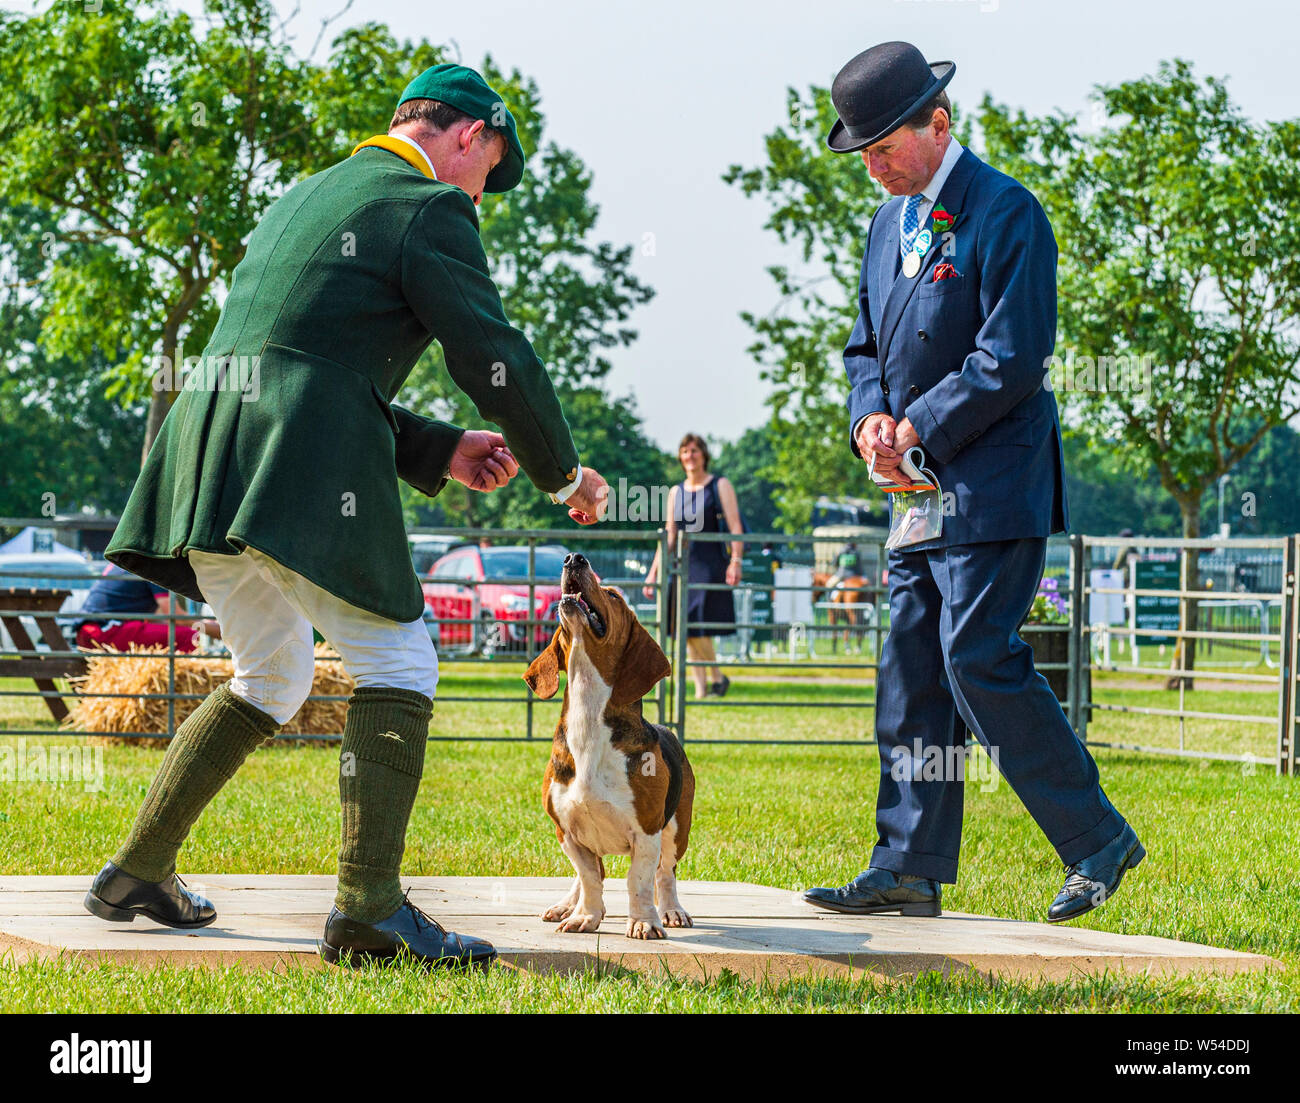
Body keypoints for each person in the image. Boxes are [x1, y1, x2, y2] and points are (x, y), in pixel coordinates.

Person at [86, 63, 609, 969]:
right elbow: (491, 356)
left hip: (208, 454)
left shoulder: (306, 195)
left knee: (272, 674)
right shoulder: (426, 204)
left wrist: (438, 448)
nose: (482, 195)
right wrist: (563, 474)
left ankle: (135, 870)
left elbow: (304, 358)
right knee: (400, 655)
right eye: (488, 172)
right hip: (292, 461)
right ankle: (368, 910)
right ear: (467, 136)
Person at [803, 42, 1143, 924]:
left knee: (975, 657)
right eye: (863, 151)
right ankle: (908, 862)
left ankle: (1097, 837)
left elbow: (1014, 355)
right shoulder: (886, 228)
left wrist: (922, 425)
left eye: (883, 146)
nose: (872, 165)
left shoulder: (1007, 212)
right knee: (910, 669)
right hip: (914, 498)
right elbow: (864, 349)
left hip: (992, 487)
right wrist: (871, 420)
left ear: (939, 123)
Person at [643, 434, 743, 698]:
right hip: (682, 567)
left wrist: (736, 561)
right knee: (684, 629)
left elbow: (735, 528)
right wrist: (653, 573)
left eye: (695, 451)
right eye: (685, 451)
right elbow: (669, 536)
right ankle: (704, 687)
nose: (690, 456)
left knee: (697, 625)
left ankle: (716, 677)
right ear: (680, 457)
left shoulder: (720, 485)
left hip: (711, 565)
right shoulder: (676, 492)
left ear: (704, 455)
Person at [75, 563, 220, 653]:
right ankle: (175, 695)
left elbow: (162, 619)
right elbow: (177, 618)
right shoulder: (153, 564)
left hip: (92, 632)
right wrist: (220, 630)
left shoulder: (131, 557)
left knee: (172, 633)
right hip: (103, 632)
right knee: (188, 636)